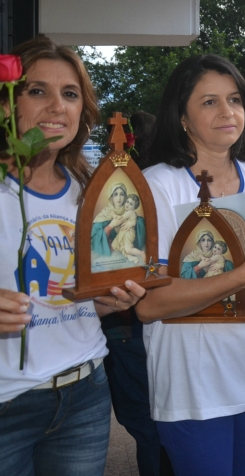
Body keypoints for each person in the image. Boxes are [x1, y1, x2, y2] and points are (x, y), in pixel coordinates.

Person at [136, 55, 245, 476]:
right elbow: (147, 305)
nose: (227, 112)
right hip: (196, 387)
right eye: (209, 102)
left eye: (234, 99)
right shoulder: (157, 185)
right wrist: (243, 276)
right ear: (182, 117)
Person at [0, 37, 146, 476]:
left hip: (84, 391)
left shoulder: (91, 194)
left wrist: (108, 299)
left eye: (70, 94)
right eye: (37, 90)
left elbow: (84, 294)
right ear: (7, 104)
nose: (56, 106)